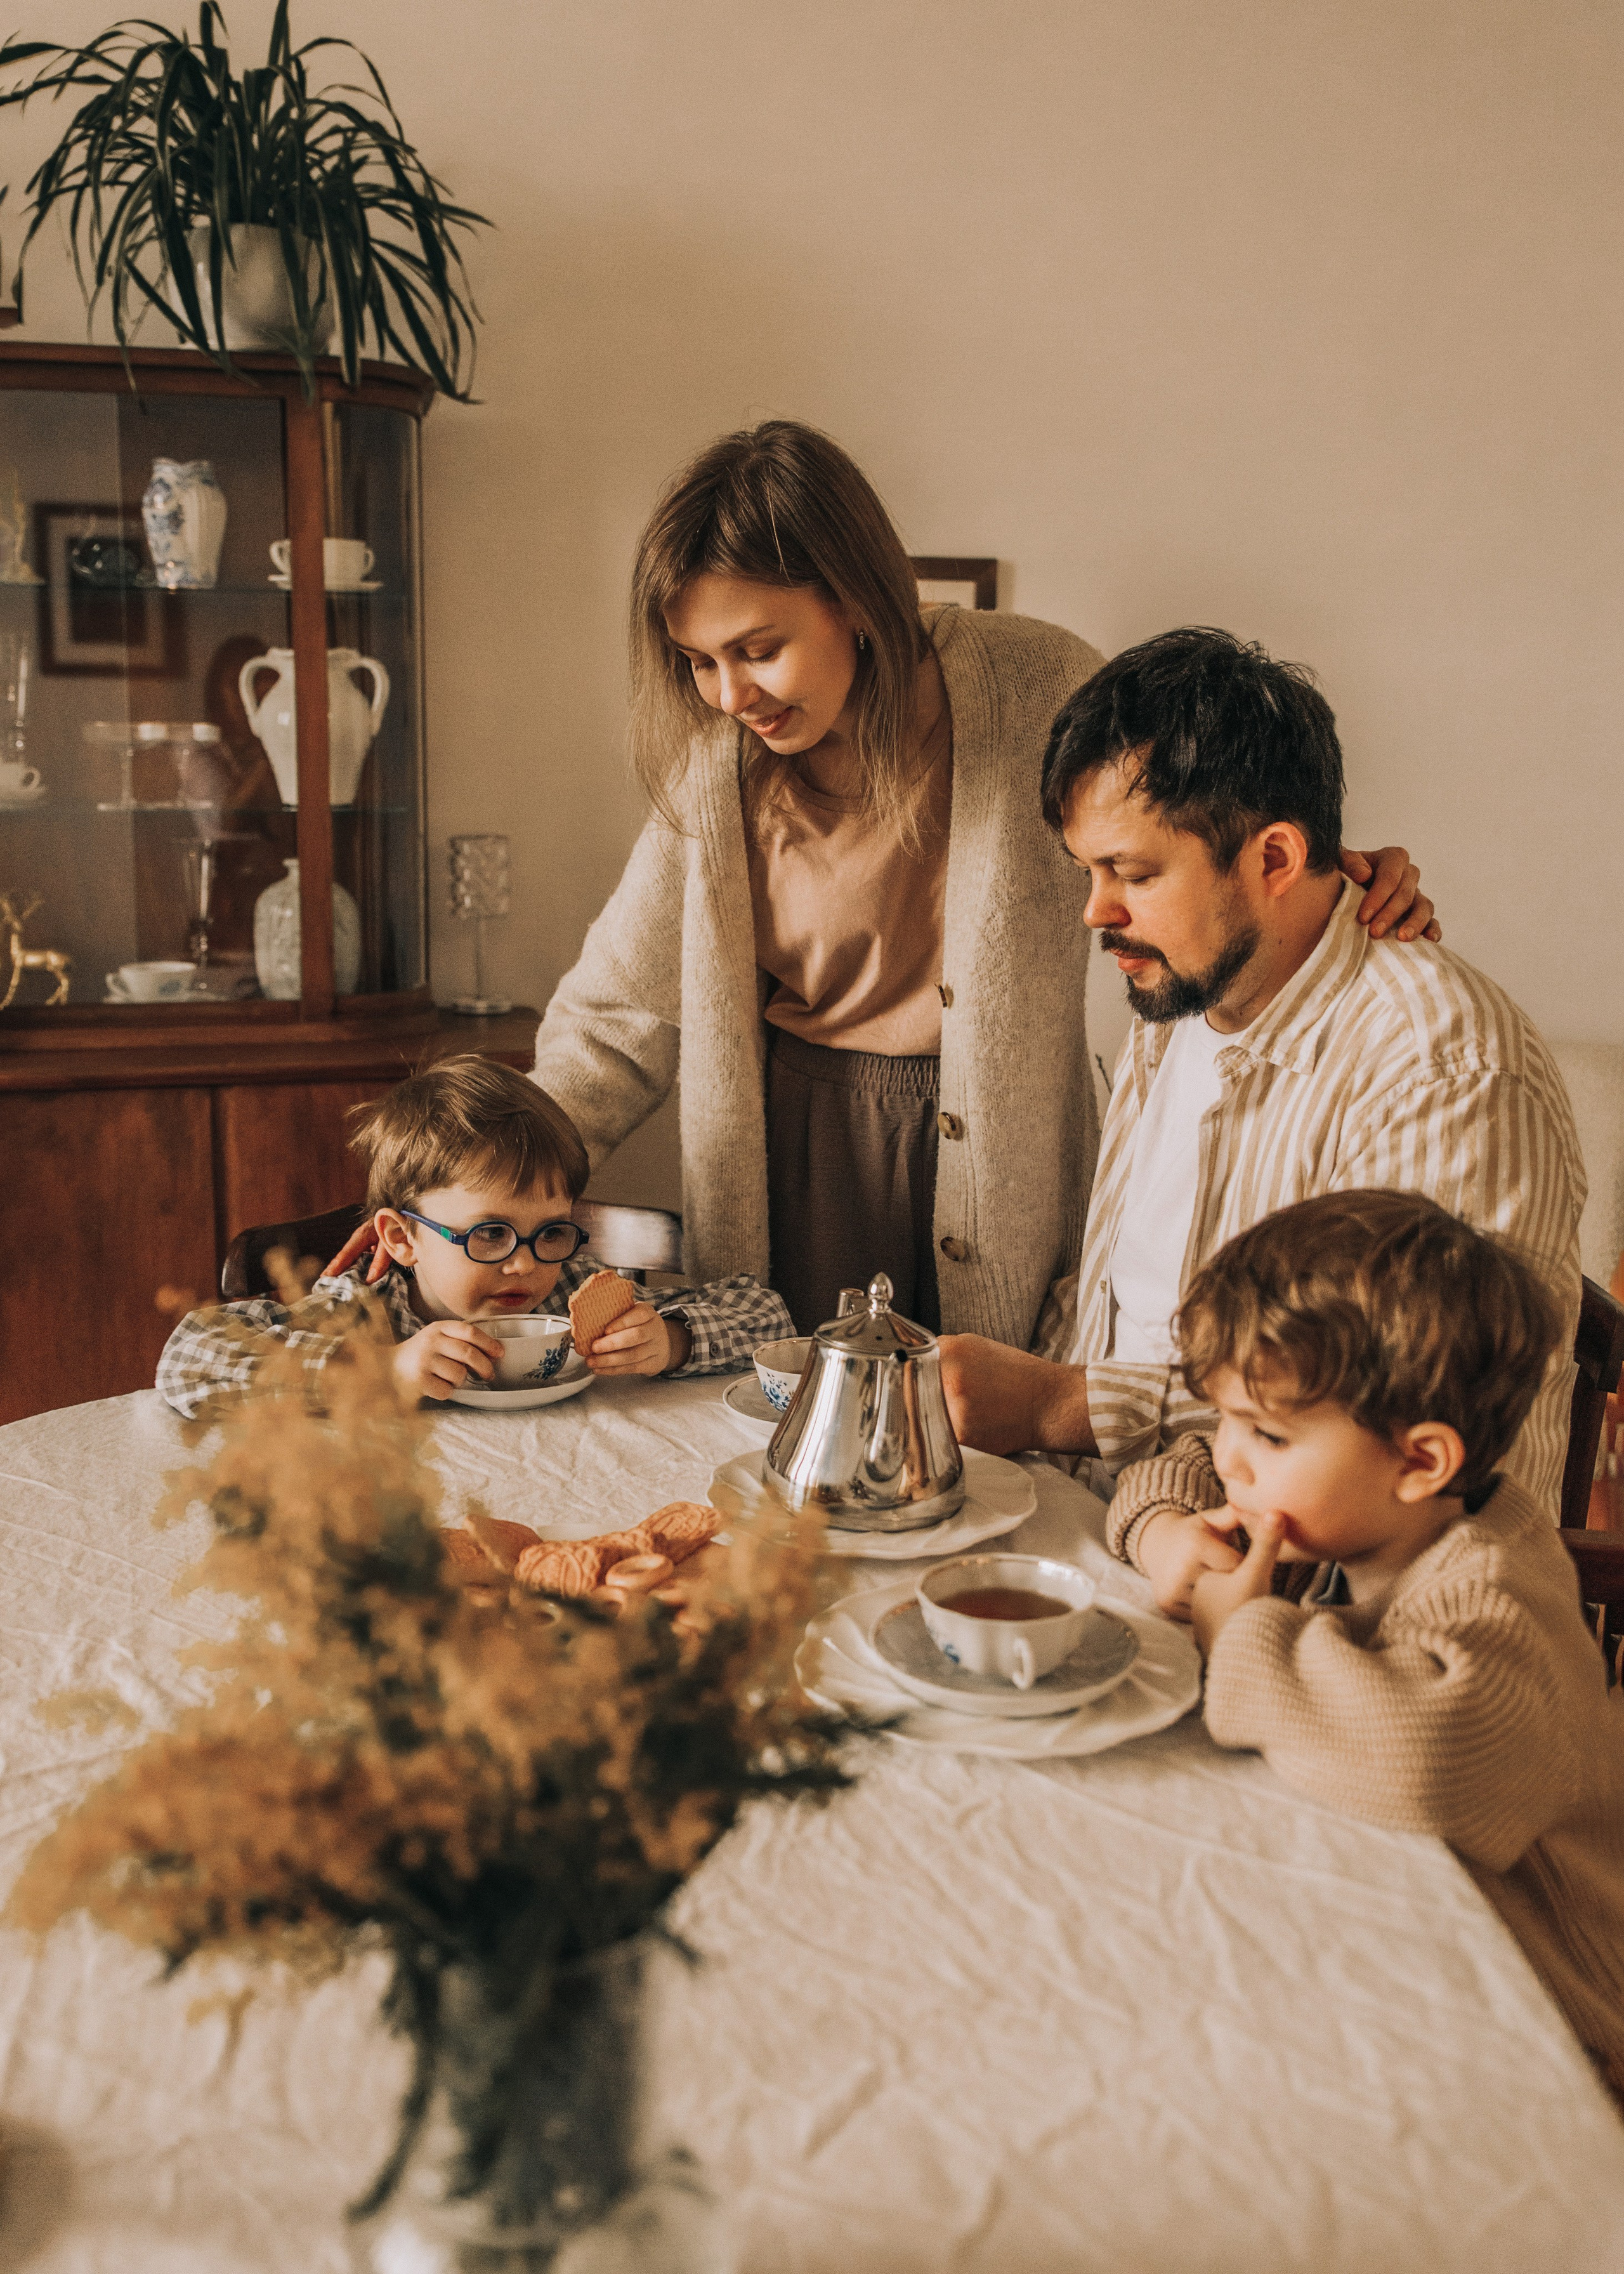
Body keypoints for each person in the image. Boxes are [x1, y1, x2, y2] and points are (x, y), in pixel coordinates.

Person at [525, 421, 1435, 1344]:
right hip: (800, 1163)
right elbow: (616, 1019)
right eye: (699, 662)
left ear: (854, 600)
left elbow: (1194, 853)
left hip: (1010, 1161)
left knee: (1016, 1451)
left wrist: (1340, 891)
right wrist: (483, 1183)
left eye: (759, 650)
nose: (728, 696)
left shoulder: (1037, 686)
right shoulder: (719, 772)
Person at [938, 628, 1584, 1527]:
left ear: (1275, 859)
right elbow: (1125, 1291)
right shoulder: (1184, 993)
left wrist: (1060, 1405)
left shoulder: (1444, 1071)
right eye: (1088, 870)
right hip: (1114, 1525)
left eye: (1132, 872)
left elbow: (1391, 1422)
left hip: (1315, 1613)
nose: (1097, 912)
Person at [1106, 1190, 1624, 2105]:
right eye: (1228, 1415)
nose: (1232, 1458)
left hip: (1554, 2023)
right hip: (1393, 1922)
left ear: (1420, 1462)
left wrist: (1246, 1639)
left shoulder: (1500, 1601)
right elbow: (1183, 1462)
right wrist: (1163, 1530)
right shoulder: (1356, 1517)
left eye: (1267, 1434)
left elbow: (1421, 1756)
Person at [157, 1056, 790, 1420]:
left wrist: (673, 1338)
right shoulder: (363, 1312)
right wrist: (382, 1369)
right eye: (488, 1234)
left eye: (549, 1232)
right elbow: (188, 1358)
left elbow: (768, 1314)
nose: (523, 1264)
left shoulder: (567, 1288)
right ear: (402, 1238)